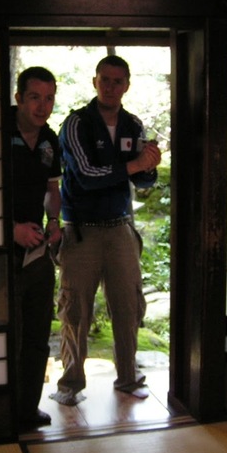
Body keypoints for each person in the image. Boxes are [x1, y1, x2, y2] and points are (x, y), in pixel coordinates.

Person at [50, 55, 161, 406]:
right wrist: (135, 165)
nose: (111, 87)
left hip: (120, 229)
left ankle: (128, 378)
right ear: (95, 82)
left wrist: (149, 166)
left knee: (128, 306)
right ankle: (70, 384)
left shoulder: (133, 124)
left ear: (127, 85)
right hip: (81, 230)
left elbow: (143, 181)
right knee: (75, 310)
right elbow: (86, 176)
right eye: (105, 80)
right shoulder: (76, 123)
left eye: (118, 81)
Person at [10, 66, 63, 429]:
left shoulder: (49, 140)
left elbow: (52, 190)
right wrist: (11, 230)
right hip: (0, 251)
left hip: (37, 250)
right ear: (19, 98)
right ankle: (3, 407)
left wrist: (54, 222)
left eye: (48, 98)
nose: (42, 106)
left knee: (37, 333)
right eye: (34, 97)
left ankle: (28, 408)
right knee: (7, 336)